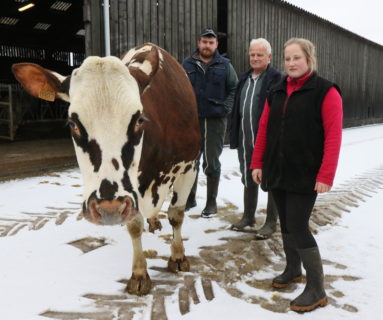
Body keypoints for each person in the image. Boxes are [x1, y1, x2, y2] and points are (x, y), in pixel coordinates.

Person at [250, 38, 343, 312]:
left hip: (305, 173)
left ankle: (317, 288)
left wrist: (326, 174)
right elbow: (264, 129)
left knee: (299, 225)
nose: (291, 63)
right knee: (287, 225)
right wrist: (258, 163)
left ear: (309, 59)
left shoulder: (325, 92)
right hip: (278, 170)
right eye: (287, 58)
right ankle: (293, 270)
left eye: (296, 58)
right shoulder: (276, 90)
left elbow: (333, 137)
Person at [182, 28, 238, 218]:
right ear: (199, 43)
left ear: (216, 45)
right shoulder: (187, 64)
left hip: (215, 120)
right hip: (193, 121)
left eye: (211, 42)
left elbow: (234, 88)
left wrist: (226, 108)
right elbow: (180, 90)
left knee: (211, 162)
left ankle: (211, 202)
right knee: (191, 161)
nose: (207, 45)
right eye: (204, 42)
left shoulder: (224, 66)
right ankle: (190, 198)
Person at [229, 38, 281, 239]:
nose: (255, 58)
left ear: (269, 57)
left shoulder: (277, 79)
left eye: (260, 54)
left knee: (270, 179)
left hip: (267, 142)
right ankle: (248, 217)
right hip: (245, 140)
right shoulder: (244, 78)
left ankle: (270, 222)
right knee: (248, 176)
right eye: (252, 54)